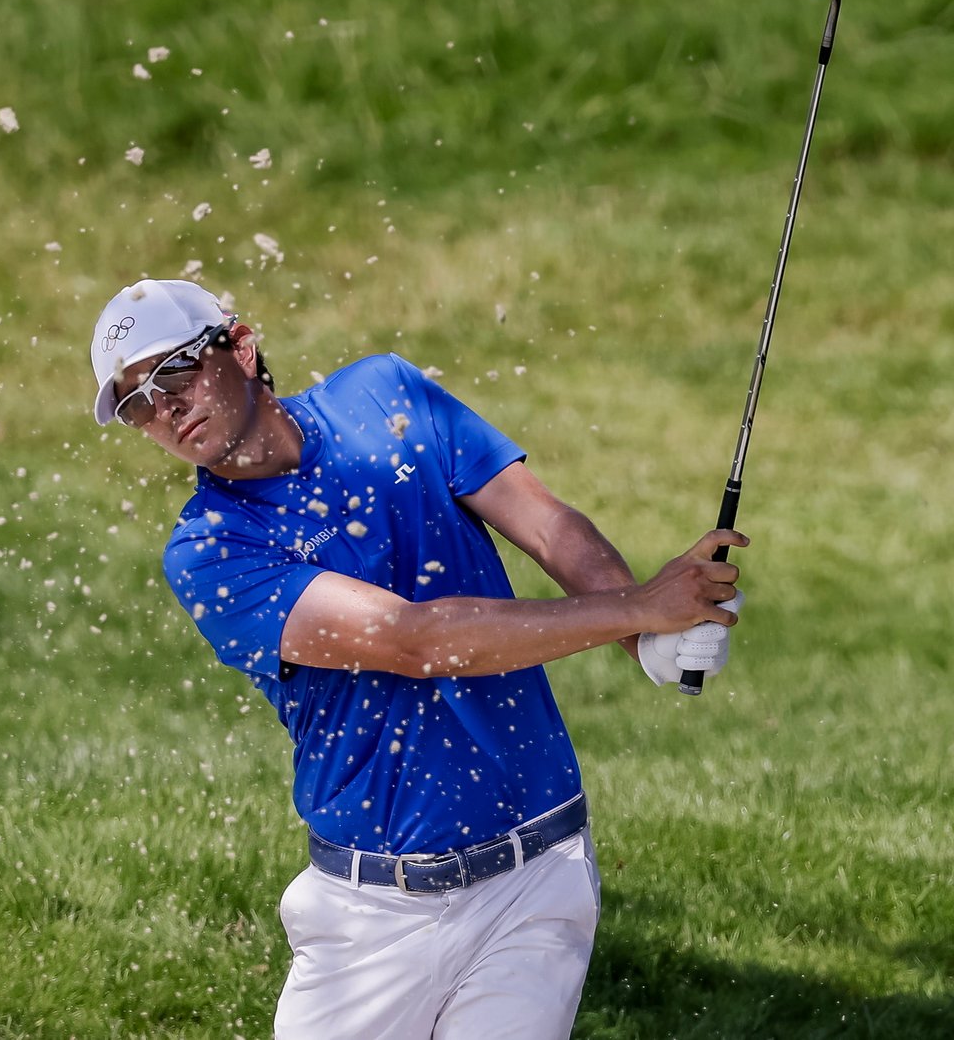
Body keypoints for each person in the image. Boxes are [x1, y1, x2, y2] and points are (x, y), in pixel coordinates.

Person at [90, 277, 747, 1040]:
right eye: (136, 402)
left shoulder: (387, 393)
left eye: (175, 372)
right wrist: (637, 609)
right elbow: (416, 640)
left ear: (240, 346)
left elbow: (545, 525)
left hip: (536, 876)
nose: (165, 409)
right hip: (371, 917)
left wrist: (652, 636)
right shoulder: (209, 549)